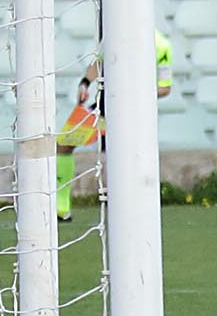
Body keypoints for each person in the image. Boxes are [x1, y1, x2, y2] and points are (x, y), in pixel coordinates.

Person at [56, 30, 175, 222]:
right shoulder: (114, 32)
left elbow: (165, 88)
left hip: (133, 113)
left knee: (128, 156)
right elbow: (99, 62)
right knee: (64, 143)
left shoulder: (161, 45)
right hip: (104, 108)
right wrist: (85, 83)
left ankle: (135, 207)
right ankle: (61, 208)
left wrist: (138, 93)